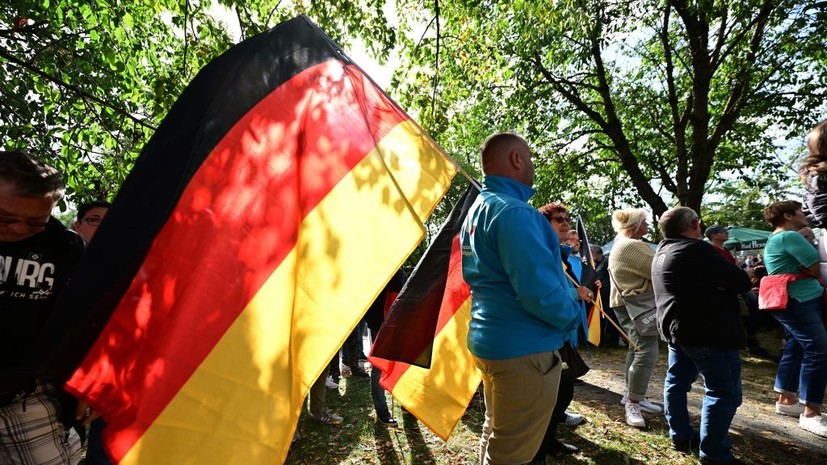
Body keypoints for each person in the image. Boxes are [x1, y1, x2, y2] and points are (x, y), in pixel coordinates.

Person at [460, 132, 585, 465]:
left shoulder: (478, 211)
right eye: (529, 158)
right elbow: (539, 293)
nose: (532, 166)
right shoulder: (515, 212)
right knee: (512, 453)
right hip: (523, 349)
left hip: (492, 341)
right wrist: (574, 314)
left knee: (496, 434)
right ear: (516, 159)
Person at [0, 150, 86, 464]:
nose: (19, 229)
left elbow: (89, 317)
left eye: (36, 222)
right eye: (5, 218)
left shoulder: (67, 248)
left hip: (27, 393)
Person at [653, 207, 752, 465]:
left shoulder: (662, 250)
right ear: (695, 224)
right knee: (724, 392)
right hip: (707, 333)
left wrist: (719, 283)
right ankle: (714, 454)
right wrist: (721, 284)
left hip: (679, 331)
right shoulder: (696, 250)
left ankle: (681, 436)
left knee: (677, 381)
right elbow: (741, 281)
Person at [532, 202, 593, 460]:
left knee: (563, 391)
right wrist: (574, 292)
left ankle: (548, 440)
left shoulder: (561, 253)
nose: (565, 222)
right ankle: (539, 446)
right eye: (558, 219)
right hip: (547, 335)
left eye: (566, 218)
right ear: (544, 225)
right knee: (552, 395)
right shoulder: (541, 253)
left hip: (565, 334)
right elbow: (540, 293)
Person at [762, 200, 827, 437]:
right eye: (800, 211)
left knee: (797, 346)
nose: (805, 214)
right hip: (799, 300)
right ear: (788, 216)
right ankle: (811, 413)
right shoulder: (791, 236)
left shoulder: (775, 238)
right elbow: (814, 267)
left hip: (792, 301)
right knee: (818, 349)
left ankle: (787, 398)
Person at [607, 208, 662, 428]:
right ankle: (633, 401)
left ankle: (633, 395)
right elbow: (659, 270)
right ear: (635, 226)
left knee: (636, 349)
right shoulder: (633, 246)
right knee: (646, 351)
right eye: (644, 222)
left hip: (627, 304)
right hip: (636, 304)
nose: (648, 226)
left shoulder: (621, 242)